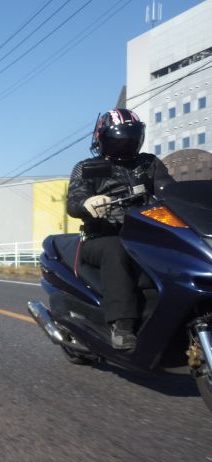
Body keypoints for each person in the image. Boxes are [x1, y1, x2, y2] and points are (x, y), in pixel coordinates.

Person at [67, 108, 174, 350]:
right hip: (101, 237)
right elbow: (73, 201)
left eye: (130, 140)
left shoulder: (149, 164)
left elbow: (170, 190)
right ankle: (122, 325)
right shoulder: (87, 167)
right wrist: (87, 203)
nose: (124, 145)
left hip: (144, 236)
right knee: (115, 249)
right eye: (118, 141)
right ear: (102, 140)